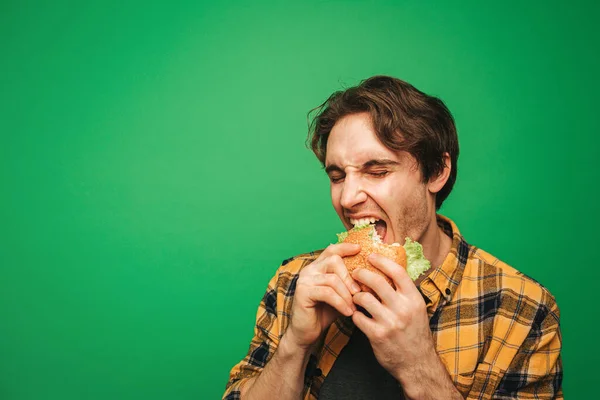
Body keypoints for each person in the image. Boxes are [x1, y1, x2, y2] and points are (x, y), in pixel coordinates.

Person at [223, 76, 563, 399]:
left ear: (437, 172)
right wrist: (295, 344)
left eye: (377, 171)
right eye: (338, 175)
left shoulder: (521, 309)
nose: (347, 198)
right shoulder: (292, 283)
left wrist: (419, 365)